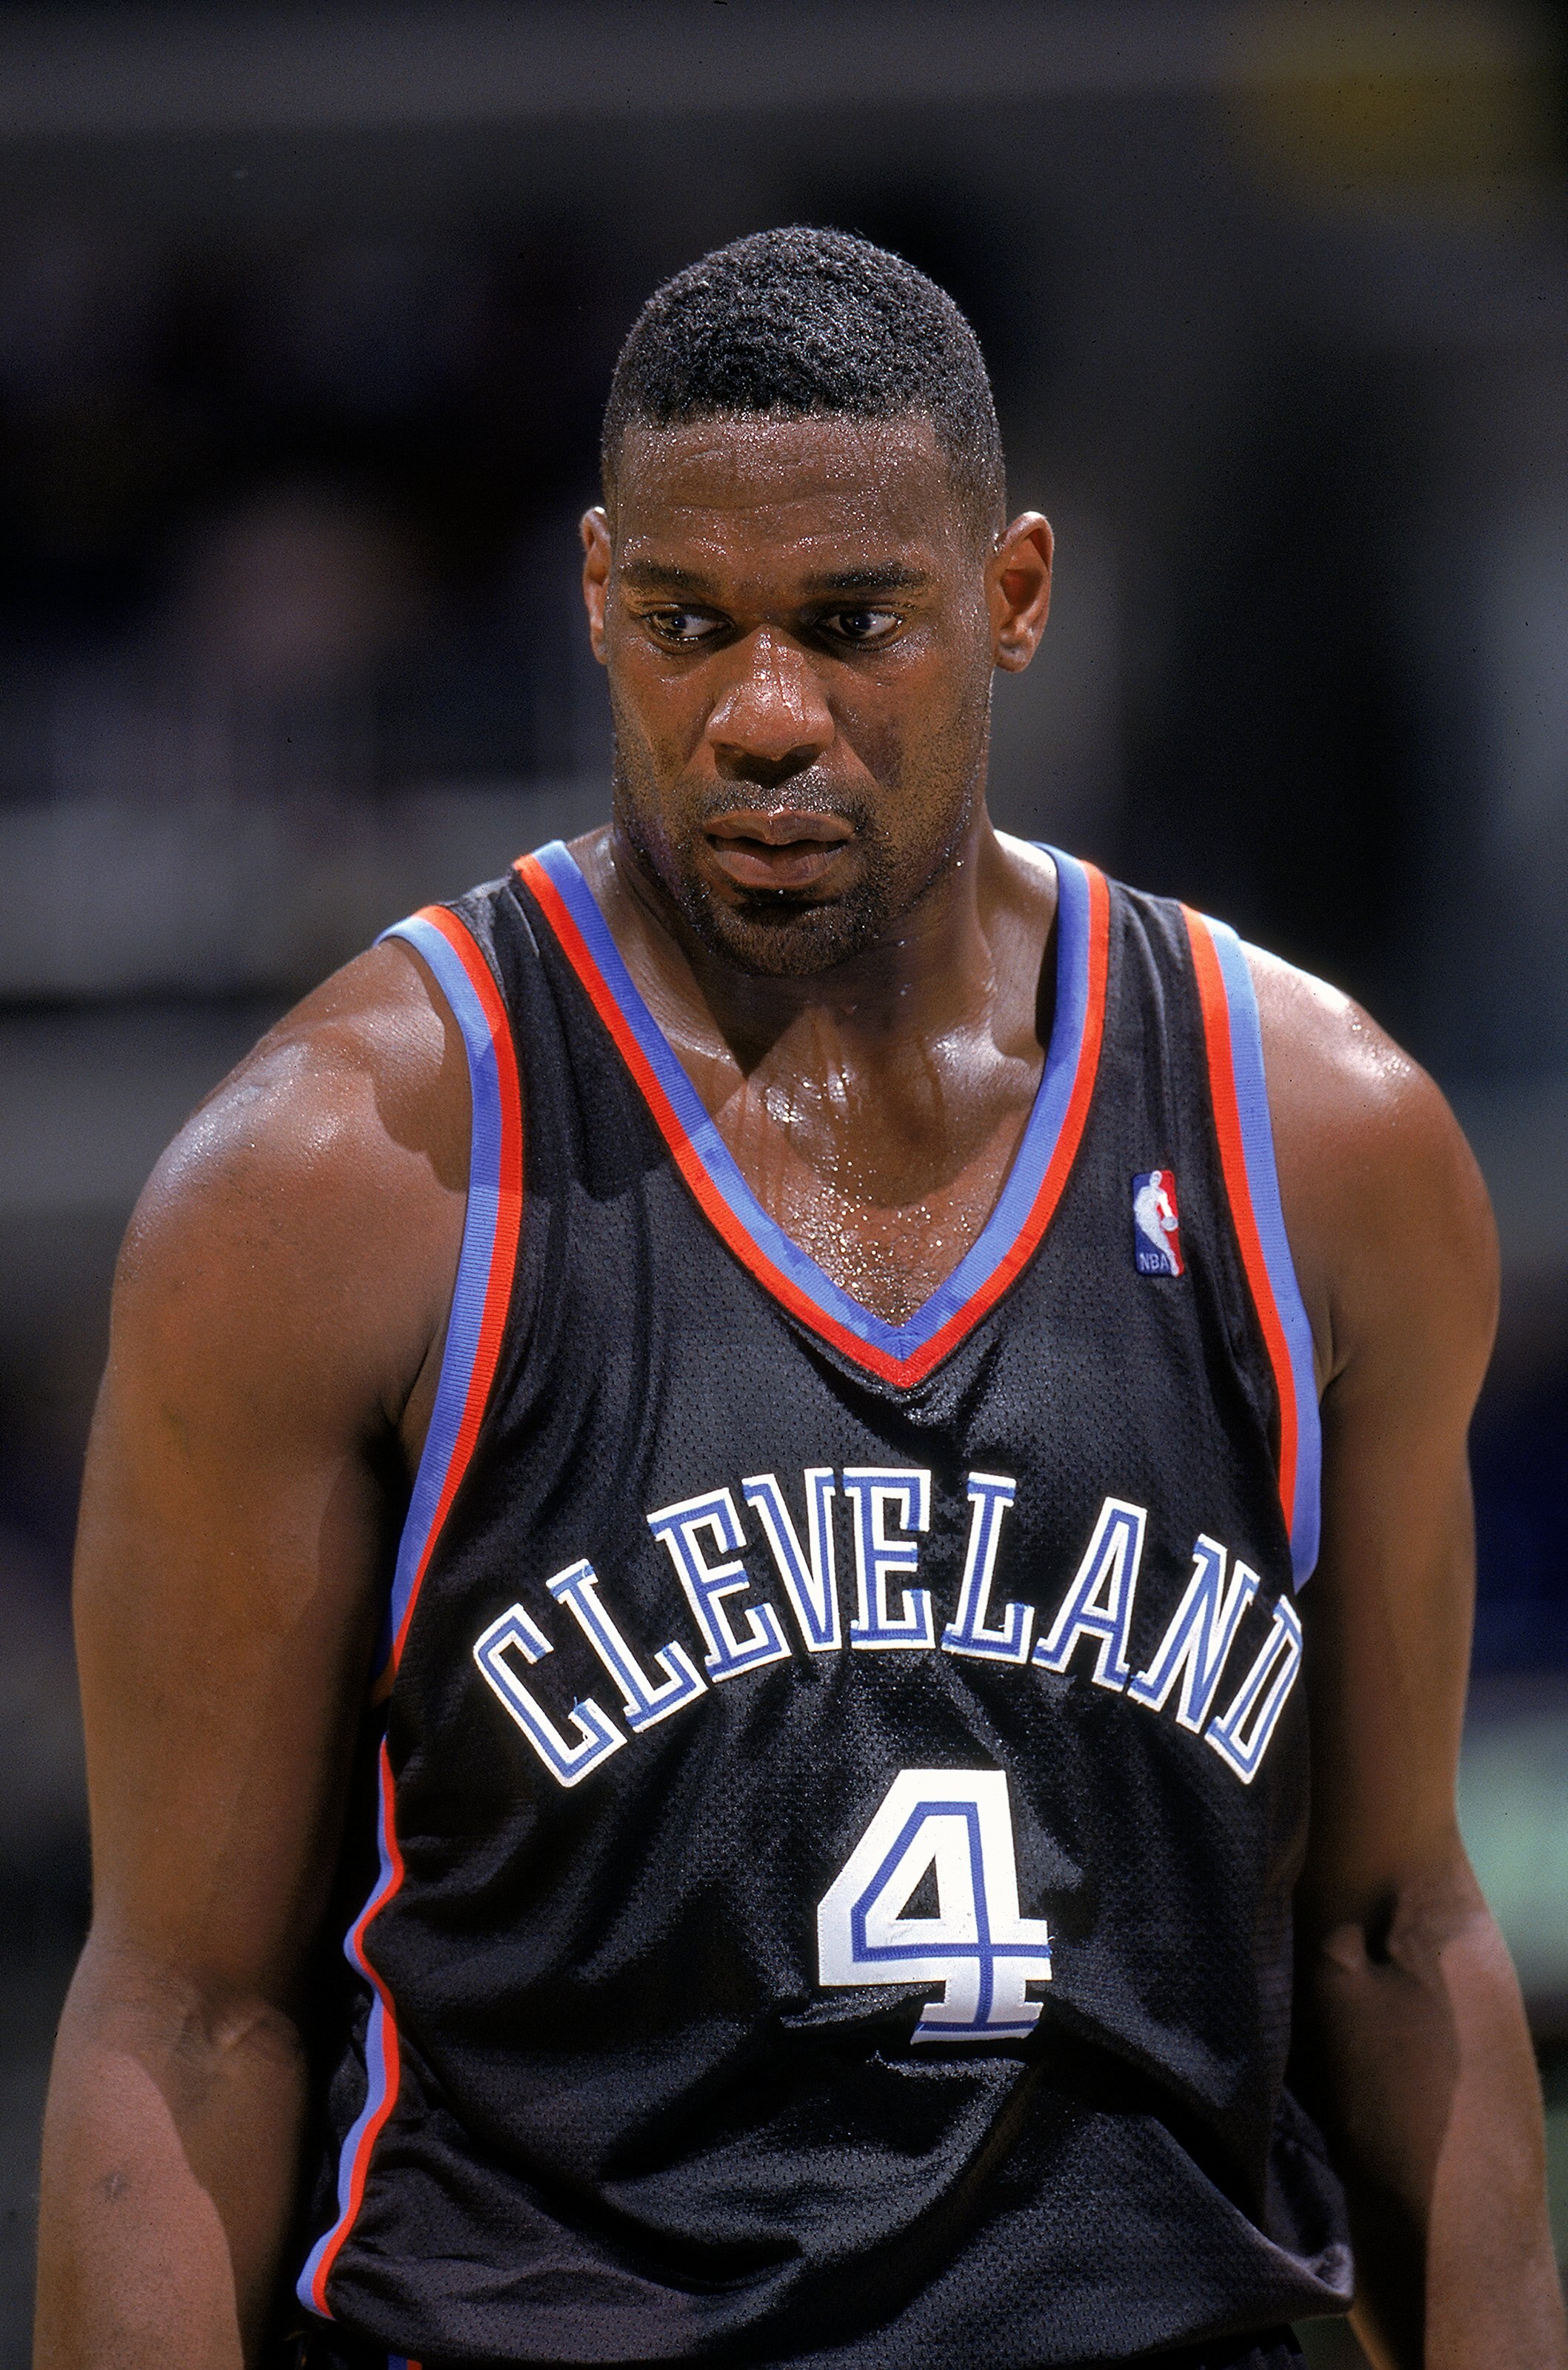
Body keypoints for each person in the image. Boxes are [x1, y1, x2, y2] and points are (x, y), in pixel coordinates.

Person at [33, 228, 1566, 2370]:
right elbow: (188, 2015)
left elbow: (1394, 1939)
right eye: (688, 625)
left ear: (1013, 597)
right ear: (595, 595)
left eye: (852, 627)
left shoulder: (1320, 1148)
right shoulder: (329, 1186)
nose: (764, 718)